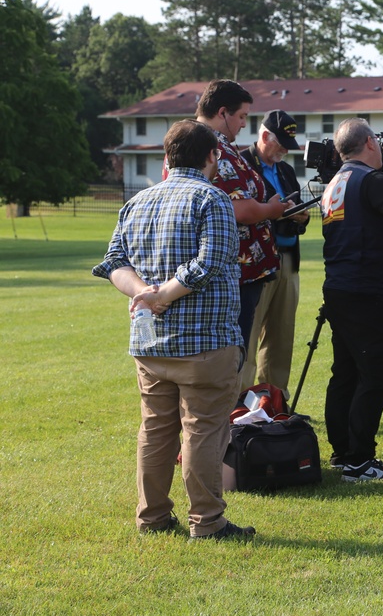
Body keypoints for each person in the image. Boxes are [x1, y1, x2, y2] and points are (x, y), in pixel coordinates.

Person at [93, 119, 255, 541]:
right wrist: (160, 294)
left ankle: (152, 517)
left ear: (166, 157)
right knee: (203, 430)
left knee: (155, 429)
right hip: (205, 341)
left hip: (149, 341)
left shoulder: (138, 202)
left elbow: (113, 263)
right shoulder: (213, 198)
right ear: (212, 157)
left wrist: (144, 294)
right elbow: (210, 262)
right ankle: (208, 521)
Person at [320, 118, 383, 481]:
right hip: (368, 290)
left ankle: (343, 452)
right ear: (371, 143)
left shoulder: (335, 182)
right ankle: (360, 459)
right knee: (373, 376)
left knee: (344, 373)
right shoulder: (372, 179)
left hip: (340, 287)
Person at [194, 80, 293, 354]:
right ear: (222, 112)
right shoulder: (213, 147)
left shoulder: (206, 142)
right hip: (234, 273)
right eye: (241, 117)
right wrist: (271, 210)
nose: (242, 124)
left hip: (241, 271)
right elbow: (238, 209)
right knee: (232, 355)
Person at [239, 110, 309, 395]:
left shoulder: (286, 170)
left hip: (288, 260)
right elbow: (244, 211)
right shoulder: (242, 163)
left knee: (282, 336)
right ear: (264, 136)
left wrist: (299, 216)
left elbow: (295, 204)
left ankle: (274, 401)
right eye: (280, 142)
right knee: (250, 334)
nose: (284, 149)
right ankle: (241, 403)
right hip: (257, 261)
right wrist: (275, 212)